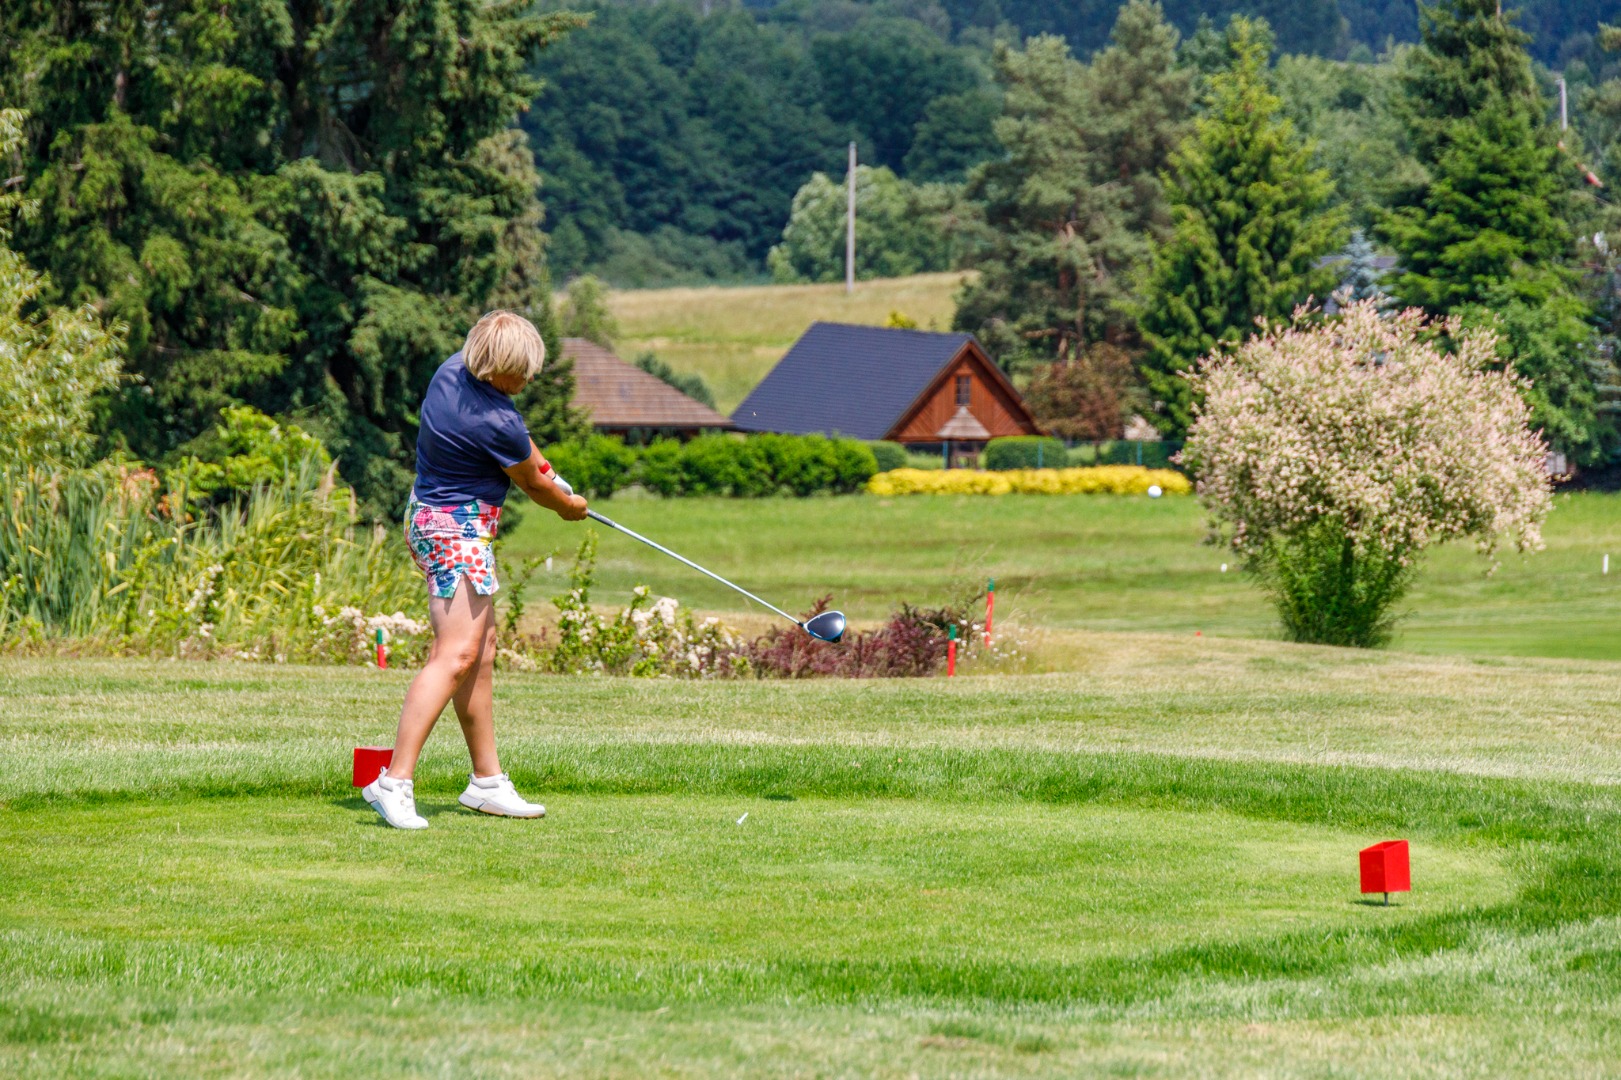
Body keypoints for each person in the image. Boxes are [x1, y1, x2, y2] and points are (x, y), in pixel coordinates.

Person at [362, 310, 588, 830]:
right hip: (455, 533)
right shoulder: (496, 422)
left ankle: (486, 781)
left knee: (479, 653)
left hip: (432, 518)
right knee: (457, 654)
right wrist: (568, 505)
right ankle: (393, 782)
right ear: (500, 366)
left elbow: (527, 452)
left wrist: (551, 471)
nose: (529, 378)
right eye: (523, 370)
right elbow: (533, 484)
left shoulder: (453, 371)